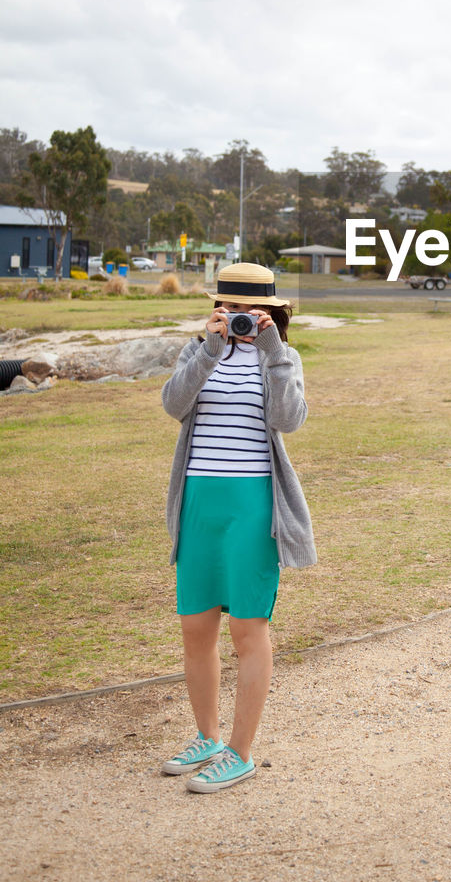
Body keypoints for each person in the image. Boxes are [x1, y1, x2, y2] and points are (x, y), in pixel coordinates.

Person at [160, 262, 315, 793]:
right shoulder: (199, 349)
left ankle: (240, 751)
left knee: (249, 630)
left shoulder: (283, 356)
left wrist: (271, 353)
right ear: (217, 308)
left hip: (253, 505)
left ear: (272, 312)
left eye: (253, 310)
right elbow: (173, 404)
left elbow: (289, 419)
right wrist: (209, 347)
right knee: (195, 629)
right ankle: (205, 736)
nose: (243, 318)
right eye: (232, 308)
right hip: (200, 502)